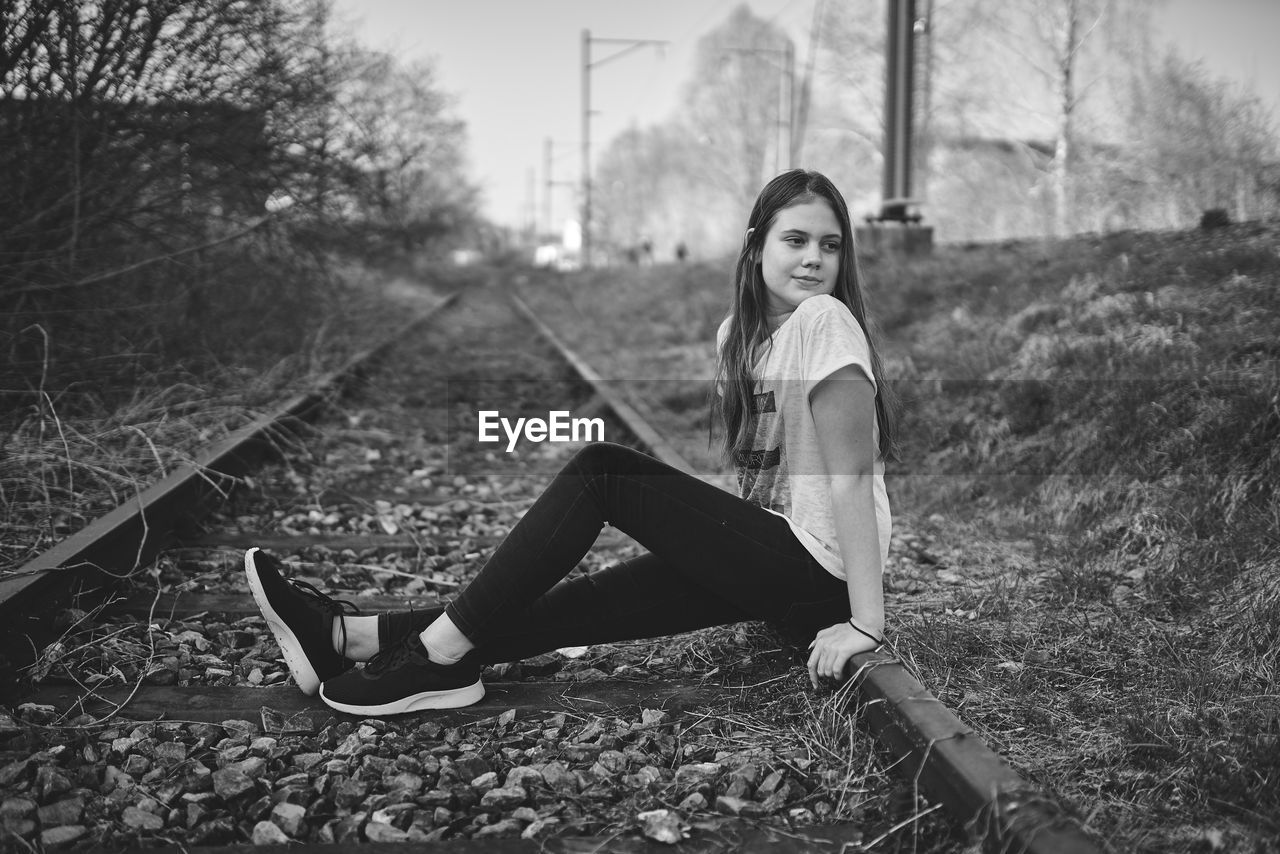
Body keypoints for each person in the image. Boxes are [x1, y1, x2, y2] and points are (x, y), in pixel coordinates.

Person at [245, 169, 899, 717]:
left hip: (823, 574)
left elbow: (851, 478)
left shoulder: (825, 320)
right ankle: (350, 638)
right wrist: (708, 537)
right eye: (796, 239)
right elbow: (764, 483)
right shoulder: (742, 337)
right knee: (585, 607)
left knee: (602, 473)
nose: (814, 257)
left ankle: (437, 658)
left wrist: (866, 621)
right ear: (757, 246)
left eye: (831, 244)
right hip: (778, 560)